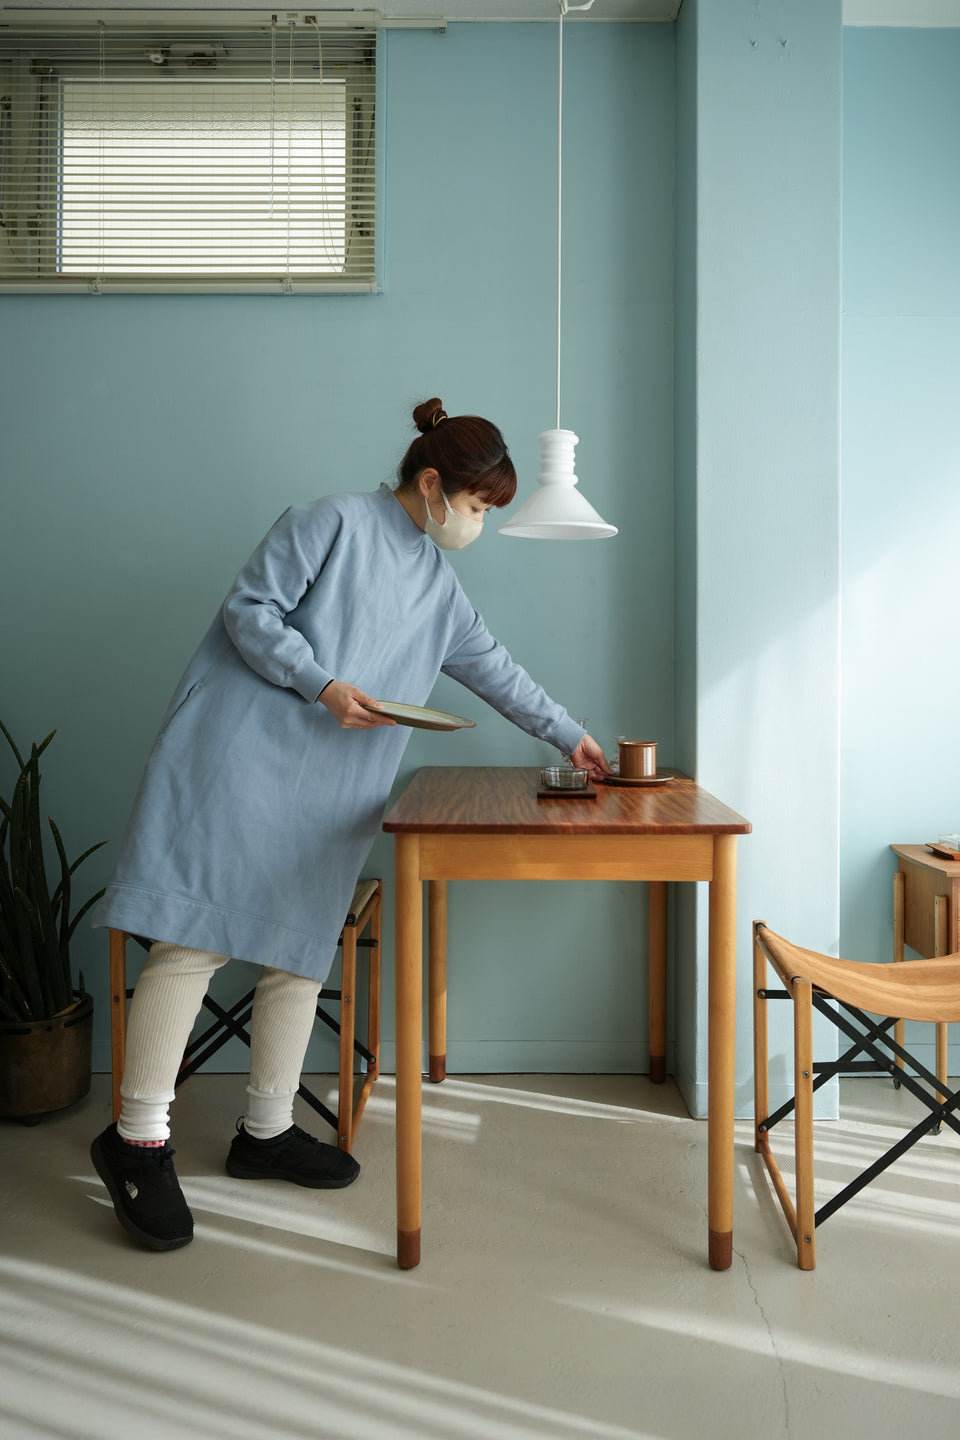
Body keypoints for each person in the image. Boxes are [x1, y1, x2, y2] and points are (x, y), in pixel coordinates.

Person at [89, 397, 610, 1251]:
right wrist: (322, 683)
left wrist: (572, 734)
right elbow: (250, 610)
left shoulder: (440, 590)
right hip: (241, 758)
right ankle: (137, 1139)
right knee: (192, 941)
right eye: (478, 507)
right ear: (434, 483)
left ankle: (264, 1132)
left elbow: (497, 673)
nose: (477, 523)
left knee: (300, 948)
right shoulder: (329, 521)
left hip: (329, 788)